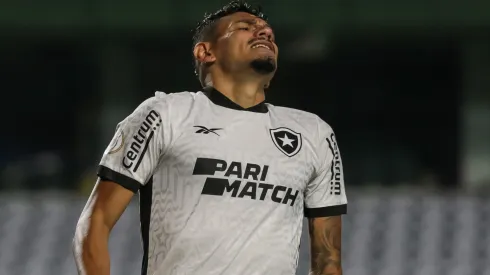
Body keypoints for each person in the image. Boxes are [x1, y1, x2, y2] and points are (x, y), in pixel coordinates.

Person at [72, 1, 347, 275]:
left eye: (268, 33)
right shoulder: (166, 114)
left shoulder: (314, 133)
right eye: (244, 27)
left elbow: (328, 262)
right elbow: (95, 223)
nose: (264, 33)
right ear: (206, 52)